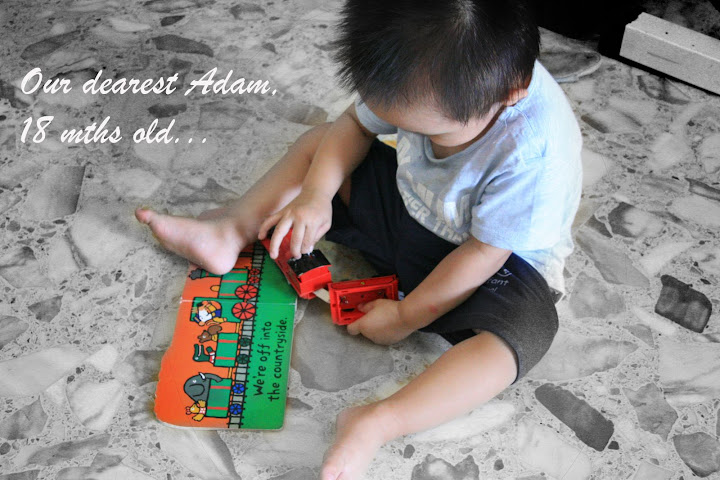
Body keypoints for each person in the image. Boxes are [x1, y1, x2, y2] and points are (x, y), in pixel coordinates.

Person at [136, 0, 582, 478]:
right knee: (322, 142)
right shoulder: (422, 66)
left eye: (422, 130)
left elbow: (484, 252)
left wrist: (407, 316)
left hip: (485, 265)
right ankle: (229, 232)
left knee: (523, 336)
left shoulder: (533, 157)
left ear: (510, 95)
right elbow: (353, 125)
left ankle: (378, 422)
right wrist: (315, 197)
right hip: (411, 210)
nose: (402, 131)